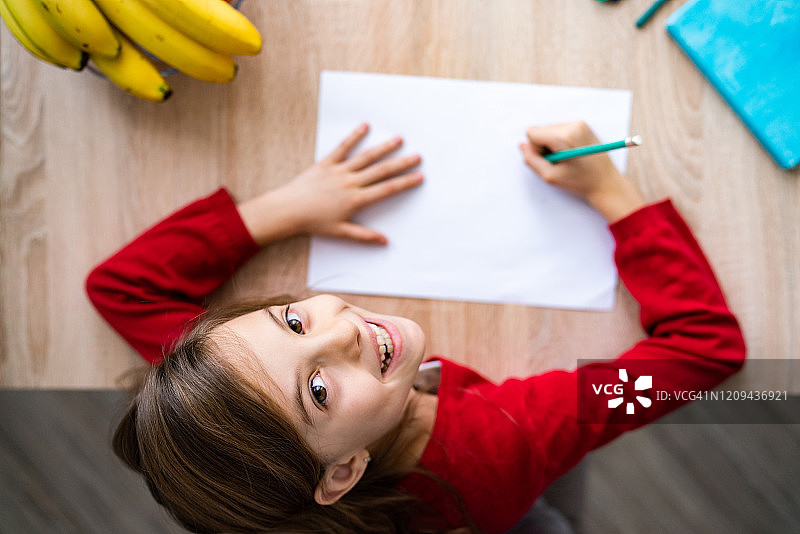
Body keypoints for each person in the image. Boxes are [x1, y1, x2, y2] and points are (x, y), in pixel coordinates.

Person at [86, 121, 746, 534]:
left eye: (291, 320)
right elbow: (704, 348)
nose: (339, 333)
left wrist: (292, 206)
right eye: (318, 390)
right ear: (340, 474)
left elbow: (121, 288)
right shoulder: (505, 438)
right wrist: (611, 192)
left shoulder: (226, 381)